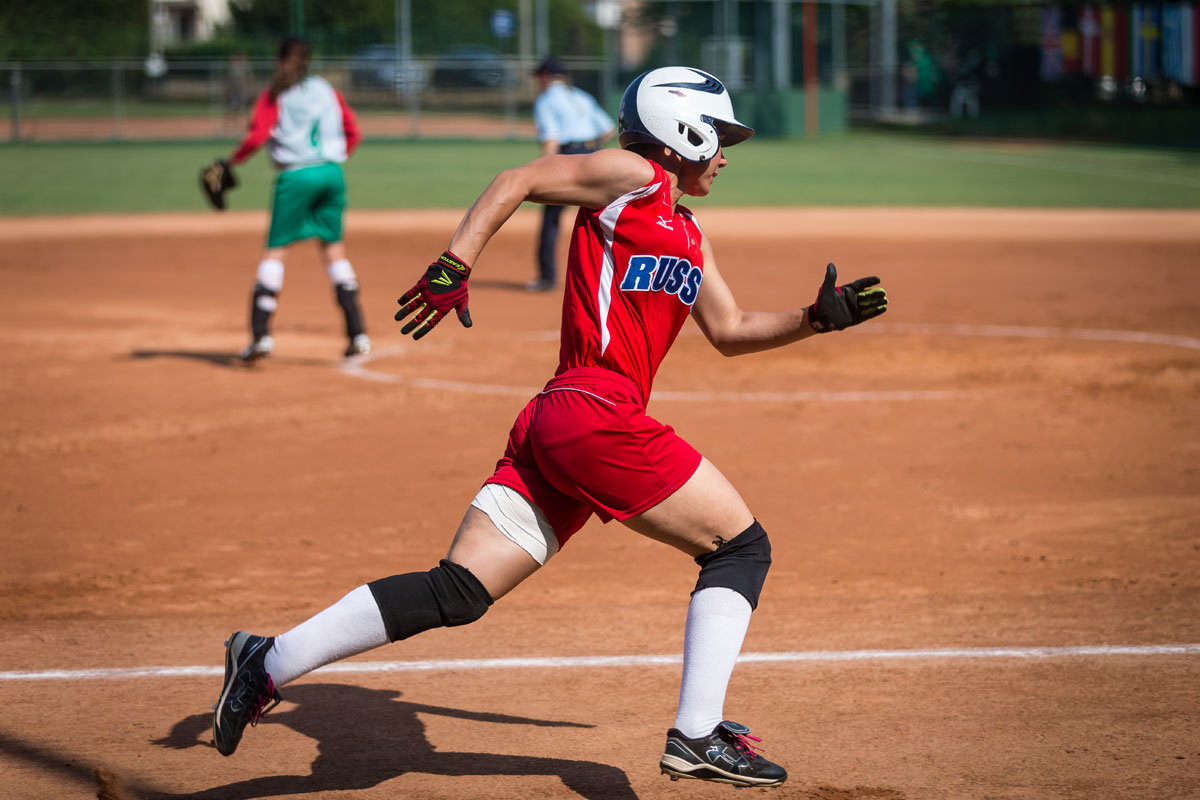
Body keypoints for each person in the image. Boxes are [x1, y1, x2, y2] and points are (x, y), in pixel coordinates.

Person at [212, 66, 888, 789]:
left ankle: (266, 660)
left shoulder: (689, 232)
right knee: (741, 548)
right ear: (680, 129)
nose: (725, 155)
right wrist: (454, 263)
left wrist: (817, 319)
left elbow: (729, 328)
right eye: (719, 137)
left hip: (562, 424)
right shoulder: (631, 175)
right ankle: (697, 733)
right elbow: (518, 180)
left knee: (459, 590)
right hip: (596, 413)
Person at [229, 37, 370, 363]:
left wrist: (232, 162)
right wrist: (330, 161)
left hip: (295, 176)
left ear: (280, 61)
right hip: (332, 174)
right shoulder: (327, 90)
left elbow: (257, 135)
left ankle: (261, 336)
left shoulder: (275, 93)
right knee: (334, 253)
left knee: (275, 252)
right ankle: (358, 334)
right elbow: (354, 132)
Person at [527, 57, 615, 292]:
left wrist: (544, 169)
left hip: (569, 156)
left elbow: (551, 139)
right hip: (596, 156)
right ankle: (611, 278)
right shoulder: (581, 96)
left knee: (551, 218)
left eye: (539, 77)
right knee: (603, 217)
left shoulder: (546, 100)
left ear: (546, 77)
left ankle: (547, 278)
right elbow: (608, 129)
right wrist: (590, 147)